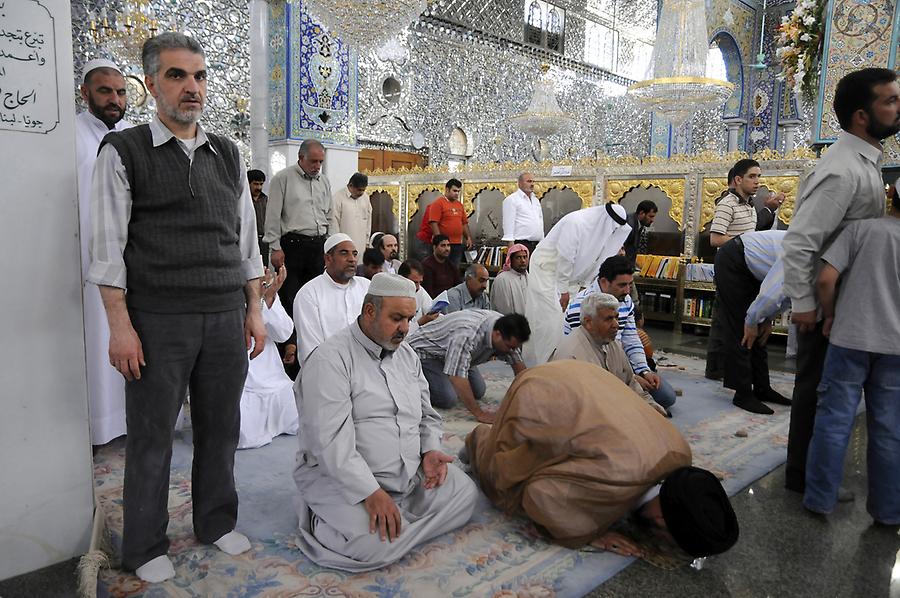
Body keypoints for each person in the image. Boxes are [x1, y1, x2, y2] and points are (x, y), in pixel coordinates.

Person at [87, 33, 266, 582]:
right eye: (176, 76)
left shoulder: (229, 154)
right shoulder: (124, 152)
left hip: (223, 315)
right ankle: (143, 547)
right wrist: (120, 327)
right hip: (157, 319)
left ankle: (215, 521)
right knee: (152, 436)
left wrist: (253, 309)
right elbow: (106, 249)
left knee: (221, 428)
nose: (192, 88)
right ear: (150, 85)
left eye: (199, 76)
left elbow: (246, 242)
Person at [292, 273, 478, 571]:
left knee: (466, 493)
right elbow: (330, 442)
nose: (405, 328)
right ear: (370, 312)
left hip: (407, 474)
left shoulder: (406, 356)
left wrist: (429, 450)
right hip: (345, 481)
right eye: (397, 318)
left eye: (409, 318)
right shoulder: (330, 360)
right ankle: (326, 520)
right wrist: (371, 493)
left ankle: (397, 524)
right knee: (374, 546)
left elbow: (427, 415)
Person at [463, 361, 739, 557]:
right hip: (539, 392)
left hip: (582, 374)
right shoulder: (616, 481)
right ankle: (480, 439)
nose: (662, 544)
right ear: (663, 520)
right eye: (669, 540)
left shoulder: (681, 453)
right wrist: (590, 532)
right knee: (503, 481)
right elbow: (540, 496)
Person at [782, 67, 900, 495]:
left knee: (826, 394)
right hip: (825, 304)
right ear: (861, 116)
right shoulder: (843, 170)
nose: (898, 107)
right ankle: (805, 479)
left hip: (847, 304)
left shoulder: (865, 162)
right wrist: (806, 306)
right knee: (818, 393)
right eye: (889, 100)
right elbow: (799, 243)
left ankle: (812, 475)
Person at [803, 205, 900, 523]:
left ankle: (819, 500)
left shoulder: (861, 230)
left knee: (833, 422)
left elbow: (825, 279)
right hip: (896, 349)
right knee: (889, 430)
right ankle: (888, 512)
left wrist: (829, 315)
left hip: (849, 340)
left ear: (891, 198)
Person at [75, 58, 133, 447]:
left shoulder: (136, 135)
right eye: (105, 91)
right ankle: (98, 428)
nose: (114, 99)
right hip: (86, 261)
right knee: (96, 341)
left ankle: (128, 423)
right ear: (85, 94)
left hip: (134, 260)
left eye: (121, 92)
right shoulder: (69, 135)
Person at [564, 255, 677, 414]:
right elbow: (588, 355)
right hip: (590, 368)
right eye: (622, 285)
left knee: (666, 397)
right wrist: (630, 380)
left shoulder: (625, 300)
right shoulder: (582, 305)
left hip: (618, 362)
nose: (627, 290)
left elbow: (631, 339)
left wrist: (643, 371)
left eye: (630, 285)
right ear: (604, 282)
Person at [523, 202, 631, 365]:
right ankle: (542, 364)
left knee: (567, 319)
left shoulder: (604, 232)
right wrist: (563, 291)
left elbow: (596, 260)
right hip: (547, 270)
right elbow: (565, 258)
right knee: (550, 320)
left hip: (570, 277)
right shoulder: (576, 223)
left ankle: (563, 361)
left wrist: (583, 285)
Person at [713, 230, 792, 414]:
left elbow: (788, 294)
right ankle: (742, 394)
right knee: (742, 327)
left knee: (759, 329)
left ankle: (762, 388)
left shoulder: (816, 254)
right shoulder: (800, 251)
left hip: (752, 268)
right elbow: (772, 294)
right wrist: (752, 321)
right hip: (733, 259)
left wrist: (768, 319)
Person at [552, 293, 667, 416]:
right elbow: (580, 410)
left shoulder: (612, 343)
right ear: (588, 322)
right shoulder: (571, 356)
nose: (616, 325)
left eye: (616, 318)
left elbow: (630, 382)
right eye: (608, 319)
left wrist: (649, 405)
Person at [406, 310, 529, 424]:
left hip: (455, 353)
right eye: (510, 347)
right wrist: (479, 413)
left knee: (478, 390)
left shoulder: (507, 330)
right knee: (448, 398)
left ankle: (444, 374)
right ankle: (414, 381)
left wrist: (528, 398)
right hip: (426, 352)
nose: (512, 351)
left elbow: (519, 368)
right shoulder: (467, 334)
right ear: (497, 335)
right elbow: (457, 377)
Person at [264, 139, 332, 318]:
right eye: (313, 161)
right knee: (290, 295)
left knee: (315, 295)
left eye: (320, 162)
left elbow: (329, 215)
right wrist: (275, 247)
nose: (317, 166)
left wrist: (330, 245)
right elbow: (272, 216)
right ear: (301, 157)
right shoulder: (282, 179)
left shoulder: (324, 181)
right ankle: (290, 343)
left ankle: (311, 338)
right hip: (293, 246)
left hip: (318, 246)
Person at [238, 265, 299, 449]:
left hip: (274, 381)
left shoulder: (266, 293)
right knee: (242, 434)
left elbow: (283, 333)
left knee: (300, 415)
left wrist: (269, 297)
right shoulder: (228, 295)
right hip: (243, 384)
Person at [293, 234, 370, 365]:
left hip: (368, 367)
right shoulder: (309, 294)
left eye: (355, 254)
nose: (352, 259)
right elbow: (312, 352)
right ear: (328, 258)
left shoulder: (366, 287)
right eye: (344, 253)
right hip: (328, 371)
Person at [709, 159, 760, 248]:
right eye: (751, 176)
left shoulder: (750, 204)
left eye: (758, 176)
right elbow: (715, 240)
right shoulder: (727, 204)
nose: (757, 181)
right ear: (738, 180)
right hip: (731, 260)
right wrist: (747, 241)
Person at [428, 178, 472, 265]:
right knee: (441, 267)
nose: (457, 193)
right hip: (444, 245)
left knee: (454, 268)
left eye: (458, 191)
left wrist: (468, 238)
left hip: (457, 244)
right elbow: (433, 223)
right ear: (447, 190)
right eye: (454, 191)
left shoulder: (459, 205)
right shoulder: (438, 203)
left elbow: (464, 223)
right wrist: (440, 241)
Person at [501, 172, 544, 255]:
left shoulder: (535, 200)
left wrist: (542, 241)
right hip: (520, 244)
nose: (532, 184)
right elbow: (508, 223)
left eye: (533, 181)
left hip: (536, 245)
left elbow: (540, 221)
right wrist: (511, 244)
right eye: (529, 181)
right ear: (520, 183)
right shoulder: (512, 200)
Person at [330, 172, 371, 253]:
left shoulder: (365, 198)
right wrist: (338, 244)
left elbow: (368, 221)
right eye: (359, 190)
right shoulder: (337, 198)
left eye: (364, 190)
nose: (361, 192)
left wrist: (367, 242)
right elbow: (334, 224)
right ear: (351, 185)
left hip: (362, 246)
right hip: (344, 246)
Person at [398, 259, 440, 330]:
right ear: (401, 278)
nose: (417, 287)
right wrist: (420, 322)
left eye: (420, 282)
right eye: (414, 282)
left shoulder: (420, 290)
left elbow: (429, 307)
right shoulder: (392, 296)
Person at [491, 243, 529, 315]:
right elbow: (502, 308)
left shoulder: (530, 278)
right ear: (511, 260)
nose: (523, 260)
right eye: (518, 257)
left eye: (525, 257)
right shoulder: (502, 279)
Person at [623, 200, 657, 267]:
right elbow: (622, 249)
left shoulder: (639, 224)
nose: (652, 220)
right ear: (641, 213)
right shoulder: (629, 224)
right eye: (650, 216)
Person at [247, 169, 268, 267]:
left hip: (263, 241)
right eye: (255, 184)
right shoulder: (243, 201)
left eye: (261, 184)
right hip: (248, 240)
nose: (259, 187)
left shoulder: (266, 200)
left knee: (263, 269)